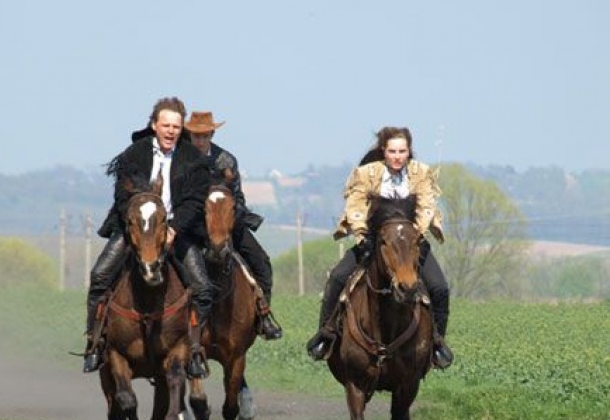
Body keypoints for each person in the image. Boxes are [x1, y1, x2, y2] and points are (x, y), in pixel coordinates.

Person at [83, 96, 212, 378]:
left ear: (181, 129)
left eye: (176, 127)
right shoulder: (133, 155)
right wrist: (138, 227)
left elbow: (195, 201)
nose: (170, 131)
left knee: (203, 288)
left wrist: (173, 229)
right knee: (100, 276)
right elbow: (122, 196)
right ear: (154, 125)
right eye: (165, 125)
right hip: (135, 229)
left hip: (175, 231)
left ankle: (193, 352)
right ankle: (94, 343)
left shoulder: (194, 160)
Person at [306, 126, 454, 369]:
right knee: (337, 277)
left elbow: (427, 205)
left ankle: (436, 343)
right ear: (383, 151)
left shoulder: (421, 173)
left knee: (439, 288)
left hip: (410, 243)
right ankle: (326, 333)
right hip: (374, 242)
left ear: (409, 152)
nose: (397, 156)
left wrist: (416, 235)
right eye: (392, 151)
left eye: (402, 151)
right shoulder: (366, 174)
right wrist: (363, 236)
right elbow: (354, 205)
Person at [185, 110, 282, 341]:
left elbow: (238, 198)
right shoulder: (181, 161)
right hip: (193, 226)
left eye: (204, 136)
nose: (200, 141)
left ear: (212, 134)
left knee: (261, 262)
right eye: (195, 136)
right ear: (189, 135)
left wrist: (228, 219)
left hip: (227, 223)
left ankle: (262, 316)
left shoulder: (226, 160)